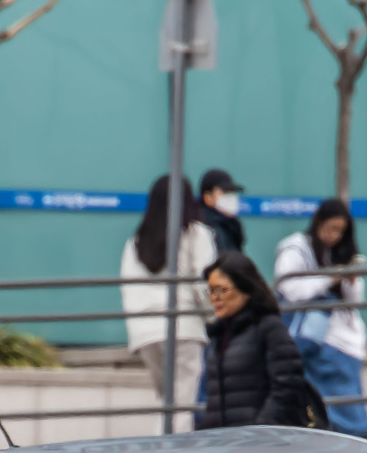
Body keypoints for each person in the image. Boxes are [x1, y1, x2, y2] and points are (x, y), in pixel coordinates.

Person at [273, 198, 367, 439]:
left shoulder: (341, 252)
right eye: (330, 228)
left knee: (341, 401)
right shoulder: (296, 247)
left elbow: (354, 301)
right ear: (318, 224)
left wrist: (349, 280)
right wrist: (331, 278)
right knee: (335, 404)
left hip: (339, 340)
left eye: (340, 231)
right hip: (315, 342)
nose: (334, 236)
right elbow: (289, 288)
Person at [120, 175, 218, 415]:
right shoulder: (195, 233)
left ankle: (163, 448)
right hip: (182, 328)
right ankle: (170, 452)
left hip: (145, 333)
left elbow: (127, 287)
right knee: (181, 406)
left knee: (166, 403)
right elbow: (203, 283)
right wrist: (213, 317)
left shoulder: (135, 243)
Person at [197, 250, 313, 429]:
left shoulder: (269, 328)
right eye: (211, 291)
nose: (215, 298)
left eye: (222, 290)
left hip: (259, 444)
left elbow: (288, 384)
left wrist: (260, 428)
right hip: (223, 444)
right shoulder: (219, 334)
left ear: (246, 289)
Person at [195, 167, 247, 254]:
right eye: (225, 192)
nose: (231, 196)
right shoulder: (205, 227)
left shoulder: (230, 226)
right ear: (208, 197)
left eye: (233, 192)